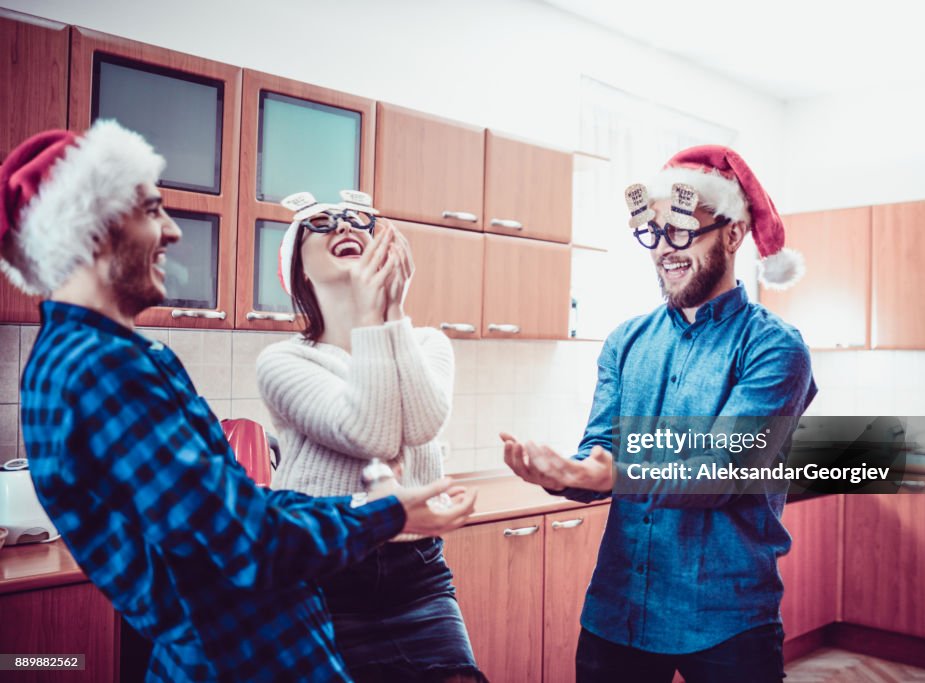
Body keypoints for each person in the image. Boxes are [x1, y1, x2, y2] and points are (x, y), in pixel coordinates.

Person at [0, 120, 476, 683]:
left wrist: (373, 512)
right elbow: (239, 533)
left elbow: (232, 510)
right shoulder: (100, 368)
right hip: (242, 658)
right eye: (153, 210)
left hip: (291, 631)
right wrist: (386, 512)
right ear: (93, 225)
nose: (174, 232)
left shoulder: (111, 357)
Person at [501, 145, 816, 683]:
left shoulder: (775, 348)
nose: (664, 250)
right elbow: (601, 453)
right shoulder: (625, 341)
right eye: (654, 235)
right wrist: (563, 476)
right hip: (617, 610)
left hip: (727, 619)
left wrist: (611, 475)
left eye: (681, 231)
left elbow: (721, 472)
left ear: (733, 234)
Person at [255, 191, 484, 682]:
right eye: (321, 224)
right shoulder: (284, 361)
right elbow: (373, 435)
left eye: (358, 221)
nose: (344, 227)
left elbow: (422, 426)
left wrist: (392, 312)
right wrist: (369, 317)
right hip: (322, 573)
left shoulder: (427, 342)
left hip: (417, 571)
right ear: (299, 269)